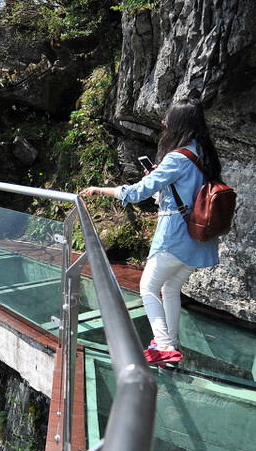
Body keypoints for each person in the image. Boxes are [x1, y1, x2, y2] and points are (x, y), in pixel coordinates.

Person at [80, 100, 222, 366]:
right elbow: (186, 190)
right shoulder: (204, 153)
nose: (163, 123)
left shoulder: (177, 157)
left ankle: (165, 346)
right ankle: (172, 345)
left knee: (147, 286)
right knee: (170, 288)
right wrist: (160, 177)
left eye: (167, 119)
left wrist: (101, 190)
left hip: (177, 236)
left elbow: (136, 193)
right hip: (201, 238)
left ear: (177, 124)